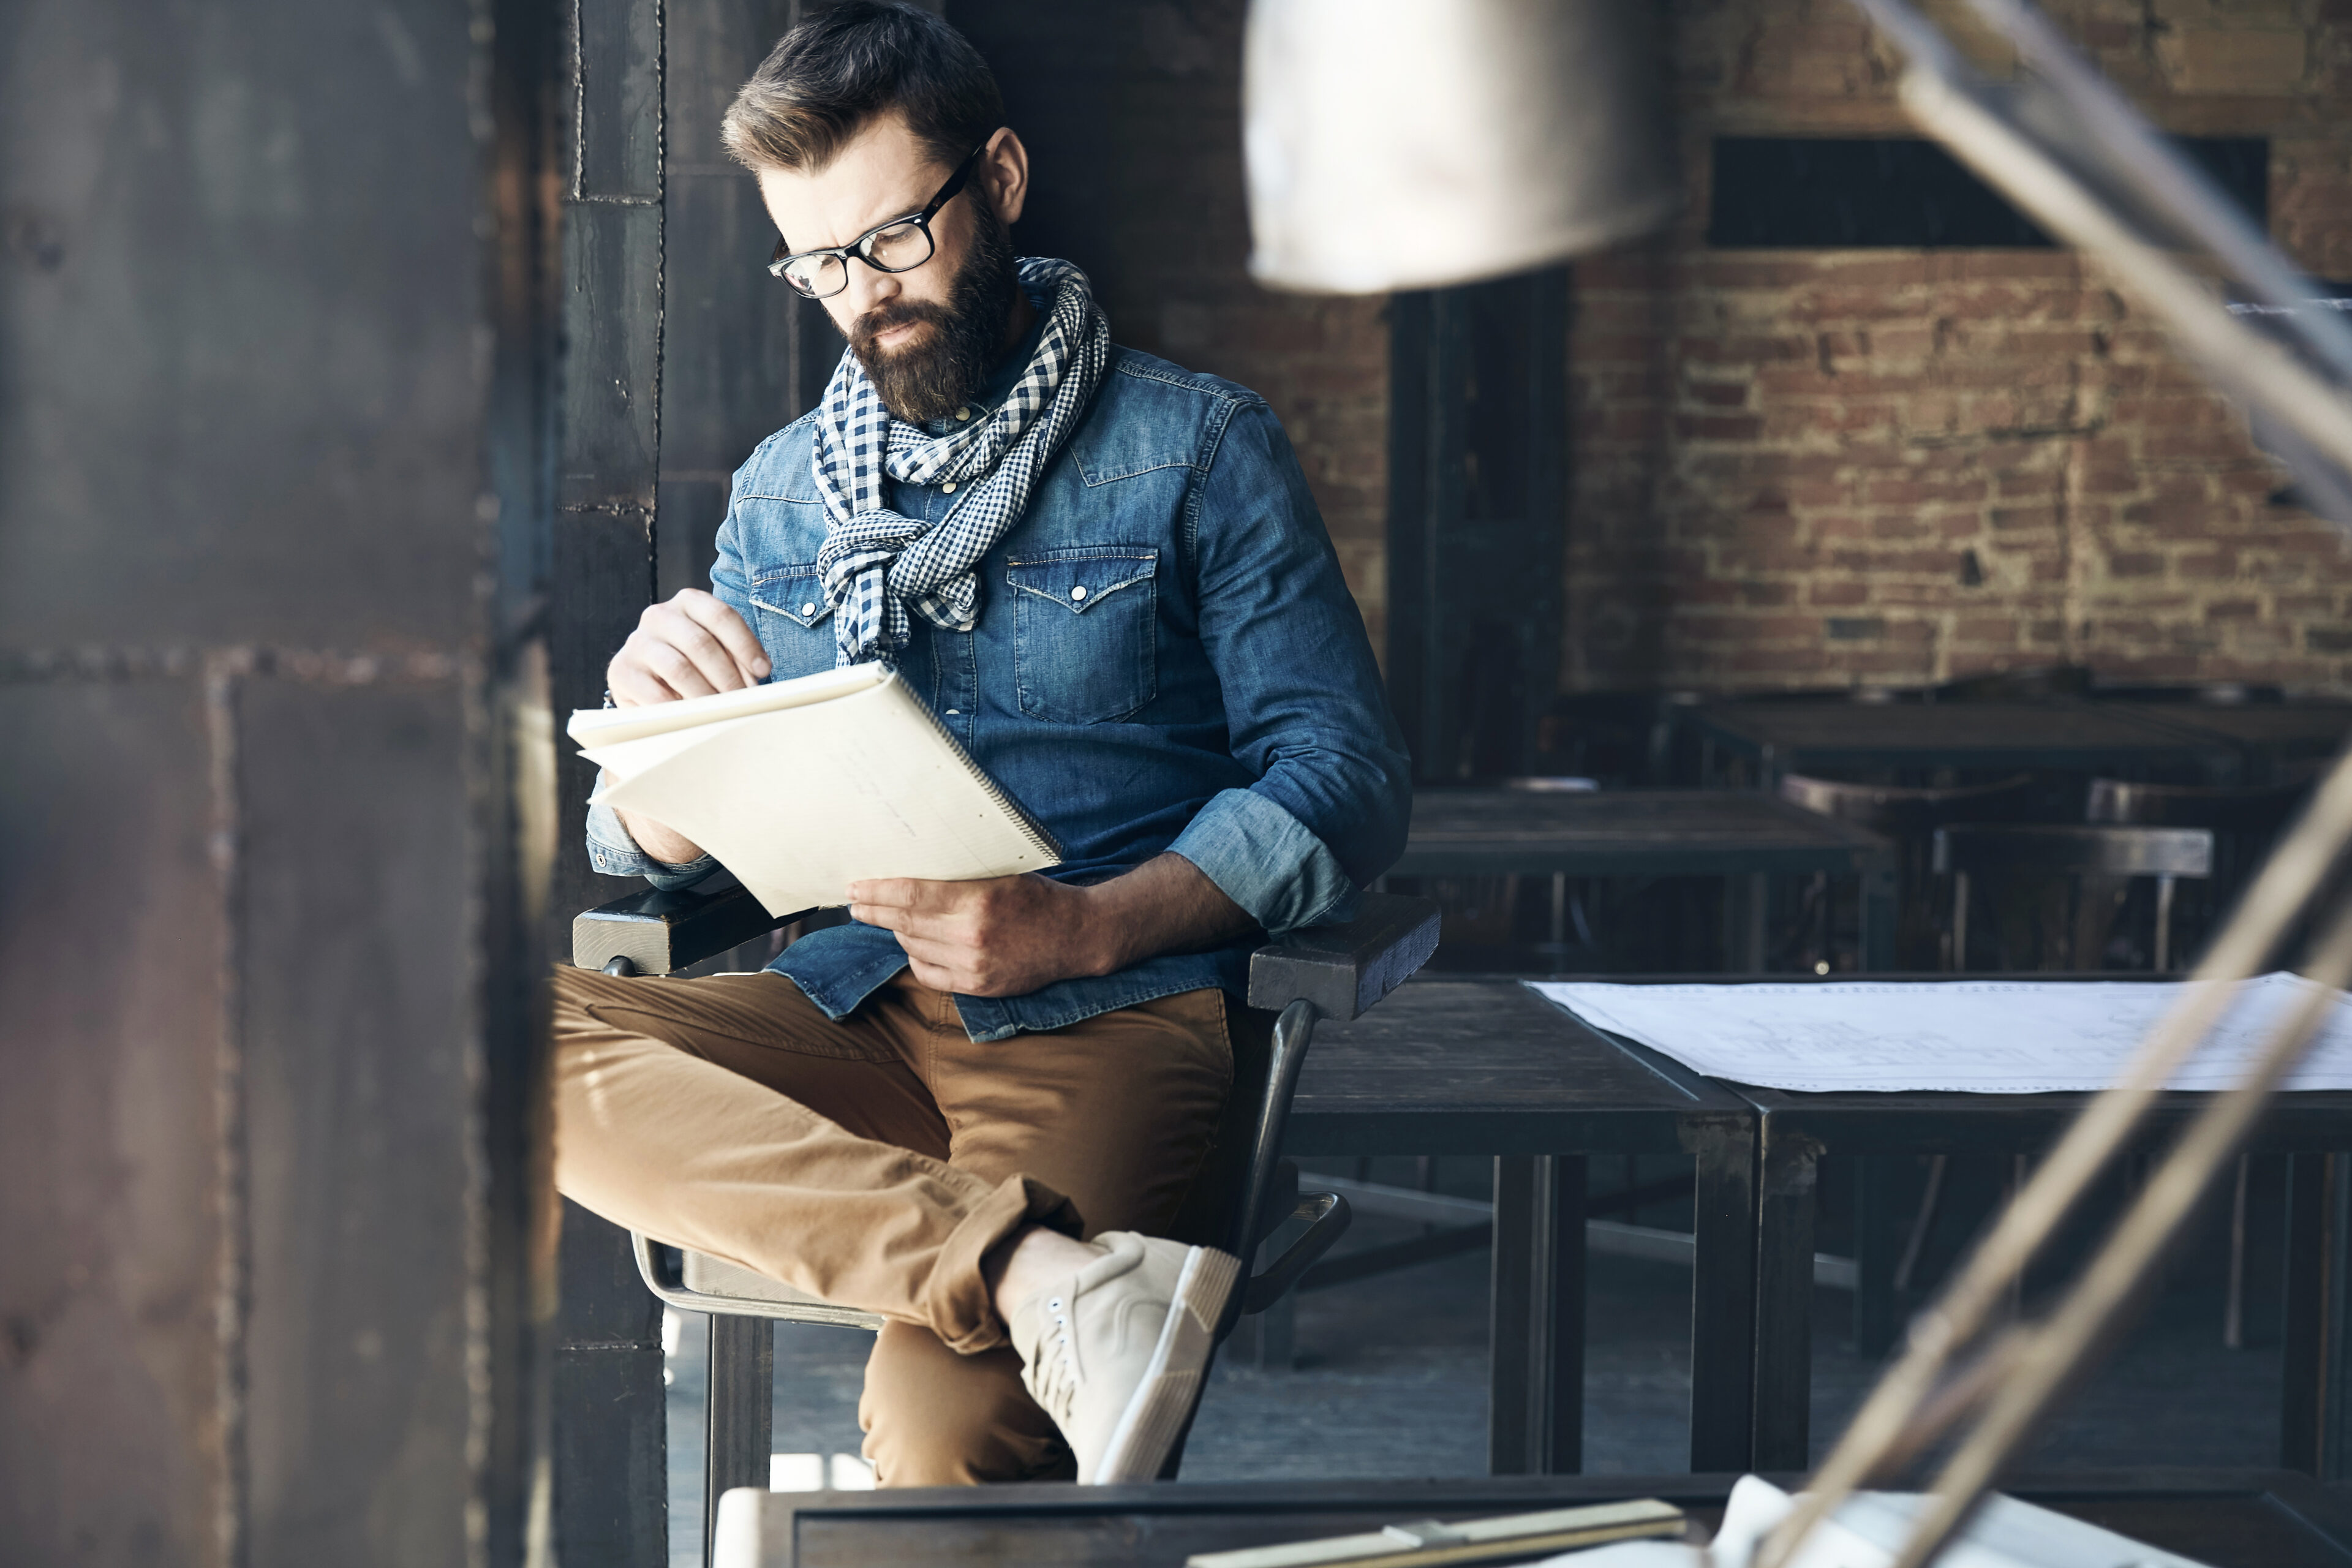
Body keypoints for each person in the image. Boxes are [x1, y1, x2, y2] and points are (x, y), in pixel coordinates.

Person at [553, 1, 1409, 1487]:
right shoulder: (778, 493)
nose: (860, 299)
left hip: (1107, 1014)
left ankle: (1017, 1275)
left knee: (950, 1438)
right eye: (817, 262)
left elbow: (1344, 781)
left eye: (889, 241)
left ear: (999, 179)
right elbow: (660, 857)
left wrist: (1084, 925)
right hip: (842, 998)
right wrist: (657, 783)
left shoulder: (1199, 445)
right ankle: (1032, 1271)